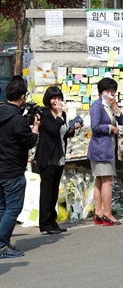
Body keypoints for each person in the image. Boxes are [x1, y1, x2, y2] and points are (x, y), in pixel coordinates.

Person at [0, 76, 40, 258]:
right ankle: (2, 245)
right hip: (12, 170)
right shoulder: (17, 120)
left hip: (1, 168)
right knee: (13, 209)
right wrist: (36, 127)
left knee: (2, 207)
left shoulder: (2, 113)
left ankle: (3, 242)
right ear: (22, 97)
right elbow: (30, 141)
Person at [34, 86, 81, 235]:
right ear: (48, 100)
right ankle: (45, 224)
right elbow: (53, 130)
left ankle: (52, 221)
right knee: (47, 191)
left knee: (54, 191)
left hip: (59, 157)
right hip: (47, 157)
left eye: (59, 98)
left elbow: (63, 134)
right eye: (54, 98)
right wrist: (59, 115)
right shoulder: (44, 114)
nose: (57, 101)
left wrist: (73, 129)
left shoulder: (63, 115)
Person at [87, 77, 123, 226]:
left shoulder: (110, 106)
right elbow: (95, 126)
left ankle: (99, 213)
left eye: (112, 91)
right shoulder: (97, 106)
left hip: (107, 148)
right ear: (100, 92)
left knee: (100, 180)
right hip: (101, 149)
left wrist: (115, 106)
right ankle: (107, 214)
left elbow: (122, 121)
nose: (110, 94)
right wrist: (110, 128)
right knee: (107, 181)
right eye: (107, 91)